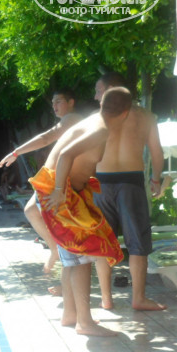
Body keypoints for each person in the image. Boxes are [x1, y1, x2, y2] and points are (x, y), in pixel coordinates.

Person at [33, 87, 133, 336]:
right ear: (125, 113)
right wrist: (59, 191)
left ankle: (71, 314)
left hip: (61, 193)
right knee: (83, 257)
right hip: (59, 194)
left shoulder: (93, 121)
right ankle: (85, 323)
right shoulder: (100, 129)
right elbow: (66, 155)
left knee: (72, 260)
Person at [92, 72, 166, 311]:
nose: (96, 96)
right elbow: (156, 152)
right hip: (131, 183)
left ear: (112, 88)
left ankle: (106, 298)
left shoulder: (98, 117)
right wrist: (155, 180)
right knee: (137, 243)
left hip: (101, 183)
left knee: (104, 243)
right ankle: (138, 298)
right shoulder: (146, 116)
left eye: (99, 90)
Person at [0, 88, 83, 277]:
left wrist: (16, 152)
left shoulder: (72, 119)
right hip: (56, 179)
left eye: (59, 101)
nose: (54, 106)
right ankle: (56, 253)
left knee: (62, 229)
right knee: (31, 211)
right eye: (52, 102)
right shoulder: (70, 120)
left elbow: (46, 138)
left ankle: (65, 269)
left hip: (60, 180)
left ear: (71, 102)